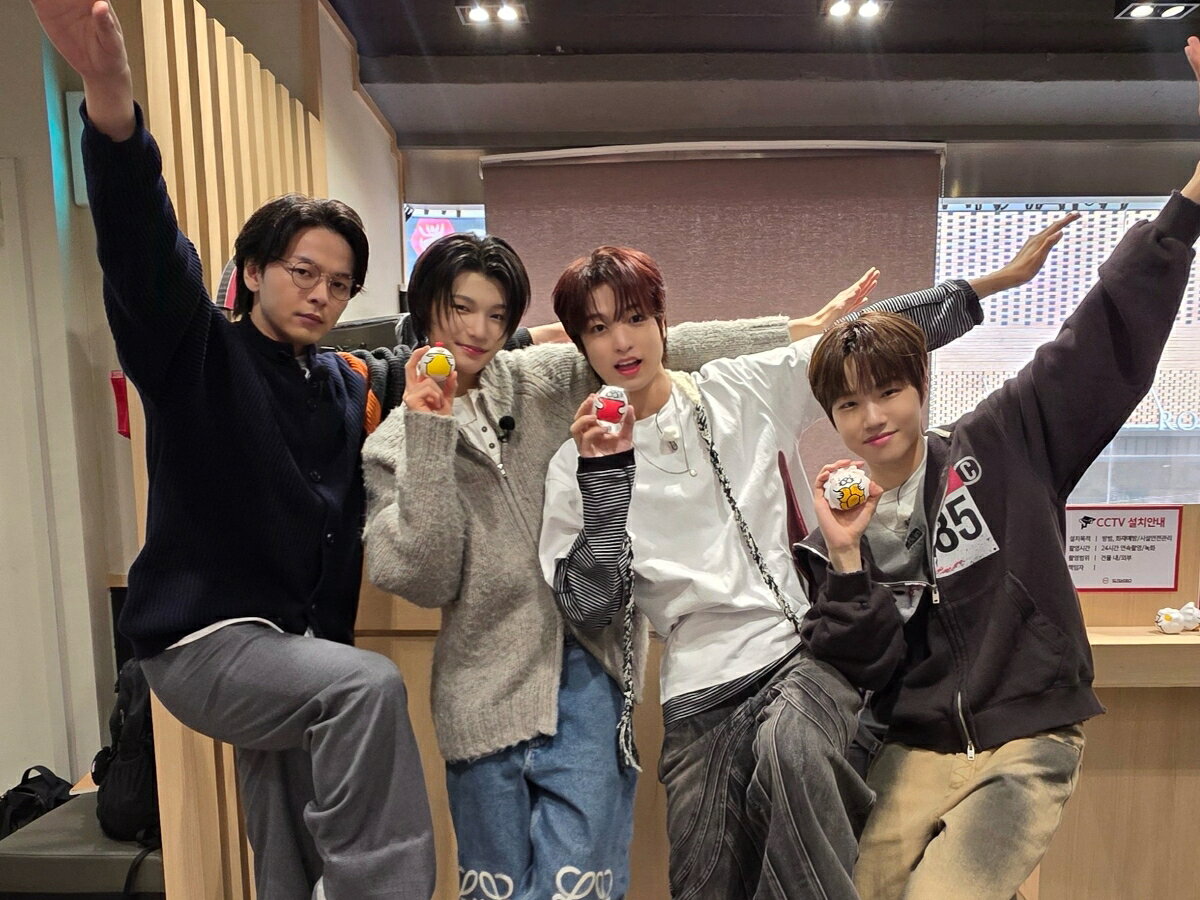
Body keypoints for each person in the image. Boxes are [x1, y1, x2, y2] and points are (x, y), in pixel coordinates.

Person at [30, 2, 435, 897]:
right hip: (202, 643)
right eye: (303, 272)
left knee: (283, 822)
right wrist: (110, 101)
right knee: (364, 688)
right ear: (252, 271)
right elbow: (142, 250)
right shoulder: (196, 351)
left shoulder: (343, 381)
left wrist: (558, 343)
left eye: (339, 284)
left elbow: (442, 358)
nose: (321, 295)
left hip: (289, 646)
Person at [536, 229, 1070, 899]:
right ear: (579, 342)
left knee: (794, 755)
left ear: (662, 320)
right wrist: (606, 481)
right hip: (697, 686)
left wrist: (990, 284)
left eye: (636, 317)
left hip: (797, 653)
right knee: (704, 874)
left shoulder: (738, 388)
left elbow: (861, 342)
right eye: (598, 328)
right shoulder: (575, 465)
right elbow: (590, 607)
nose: (622, 341)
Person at [795, 41, 1200, 899]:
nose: (874, 418)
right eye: (850, 404)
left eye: (889, 391)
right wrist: (845, 558)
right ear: (831, 418)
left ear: (922, 386)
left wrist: (1188, 205)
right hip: (915, 747)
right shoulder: (837, 520)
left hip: (1027, 734)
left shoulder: (1002, 441)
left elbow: (1101, 338)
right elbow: (861, 665)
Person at [363, 232, 879, 900]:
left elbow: (651, 346)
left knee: (586, 886)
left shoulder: (541, 379)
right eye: (461, 309)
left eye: (496, 314)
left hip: (589, 673)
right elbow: (425, 576)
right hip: (483, 690)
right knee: (495, 889)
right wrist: (429, 434)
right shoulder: (392, 443)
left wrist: (798, 328)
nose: (477, 330)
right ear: (426, 309)